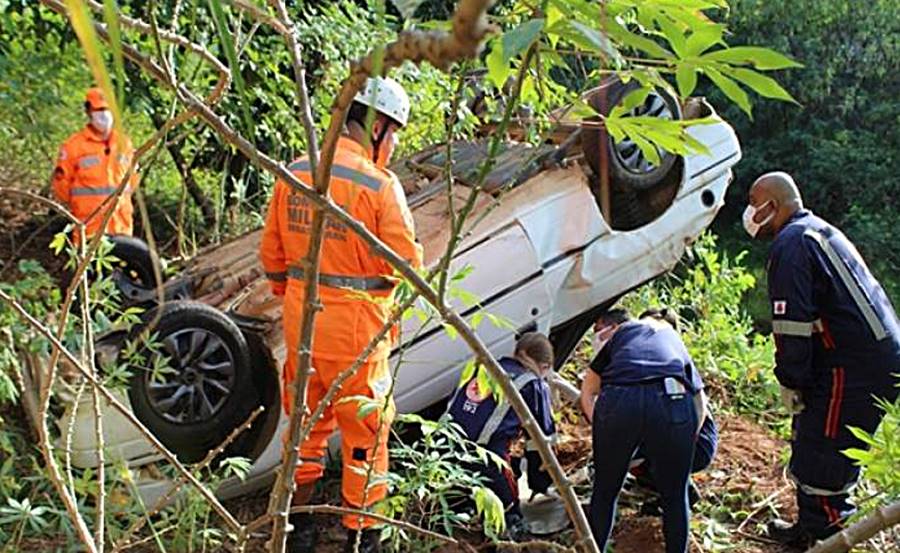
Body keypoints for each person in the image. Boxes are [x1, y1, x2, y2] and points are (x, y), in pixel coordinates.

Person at [260, 76, 423, 553]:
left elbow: (272, 256)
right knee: (365, 435)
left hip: (303, 324)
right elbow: (406, 264)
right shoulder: (378, 185)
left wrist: (294, 293)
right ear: (375, 127)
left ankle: (295, 529)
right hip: (357, 333)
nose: (393, 145)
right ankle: (362, 538)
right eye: (393, 134)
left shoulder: (296, 171)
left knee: (305, 429)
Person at [744, 172, 900, 548]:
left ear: (773, 206)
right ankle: (810, 528)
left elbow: (792, 325)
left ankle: (826, 538)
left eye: (753, 203)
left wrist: (791, 379)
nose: (749, 213)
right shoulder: (816, 231)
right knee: (817, 438)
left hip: (855, 365)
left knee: (825, 450)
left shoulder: (791, 244)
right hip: (865, 357)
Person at [580, 308, 705, 553]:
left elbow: (588, 390)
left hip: (620, 399)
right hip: (673, 401)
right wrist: (685, 438)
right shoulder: (674, 339)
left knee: (605, 492)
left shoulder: (623, 331)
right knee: (675, 496)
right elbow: (699, 401)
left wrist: (602, 427)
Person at [445, 332, 557, 538]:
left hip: (444, 449)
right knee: (508, 509)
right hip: (485, 457)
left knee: (457, 505)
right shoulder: (532, 384)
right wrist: (541, 483)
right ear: (545, 366)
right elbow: (542, 441)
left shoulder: (483, 366)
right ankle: (511, 532)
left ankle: (462, 517)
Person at [628, 309, 718, 516]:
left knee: (635, 456)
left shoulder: (672, 361)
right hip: (677, 434)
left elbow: (699, 406)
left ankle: (679, 492)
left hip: (696, 441)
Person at [52, 87, 138, 239]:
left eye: (107, 109)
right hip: (89, 229)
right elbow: (61, 188)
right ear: (88, 112)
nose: (104, 114)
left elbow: (133, 181)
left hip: (121, 227)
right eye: (99, 110)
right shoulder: (73, 146)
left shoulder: (124, 144)